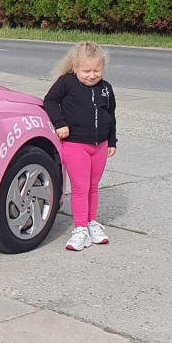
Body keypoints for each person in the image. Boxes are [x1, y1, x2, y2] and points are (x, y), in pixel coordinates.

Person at [43, 42, 117, 252]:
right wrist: (59, 123)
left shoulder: (106, 88)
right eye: (86, 71)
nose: (92, 75)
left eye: (97, 70)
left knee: (93, 186)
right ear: (75, 67)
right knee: (80, 188)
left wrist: (112, 140)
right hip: (75, 144)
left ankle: (92, 222)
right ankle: (81, 228)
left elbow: (110, 115)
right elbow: (50, 101)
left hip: (100, 145)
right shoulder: (66, 82)